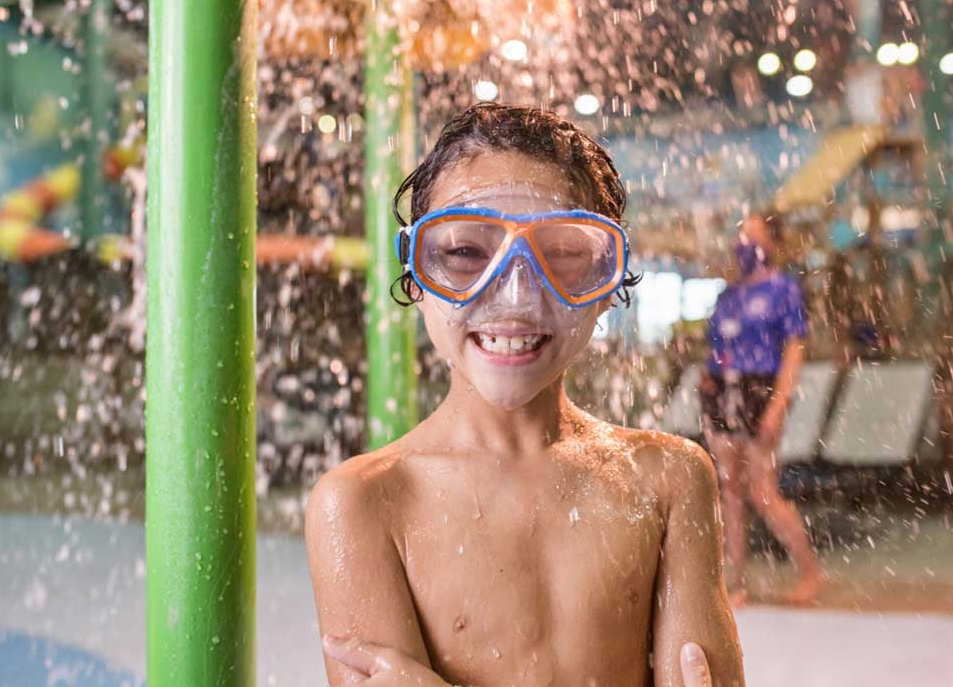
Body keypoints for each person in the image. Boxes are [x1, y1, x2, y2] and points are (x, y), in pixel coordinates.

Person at [305, 104, 745, 686]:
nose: (515, 298)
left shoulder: (668, 480)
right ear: (416, 270)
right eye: (464, 254)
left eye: (562, 256)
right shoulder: (363, 505)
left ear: (607, 280)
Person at [699, 213, 825, 606]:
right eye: (741, 234)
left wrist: (778, 403)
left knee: (762, 490)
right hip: (723, 389)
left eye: (753, 235)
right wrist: (708, 382)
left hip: (760, 390)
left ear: (772, 242)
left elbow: (794, 351)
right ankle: (735, 583)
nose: (744, 242)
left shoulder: (784, 290)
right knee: (730, 490)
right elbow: (716, 347)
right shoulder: (728, 295)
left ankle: (810, 572)